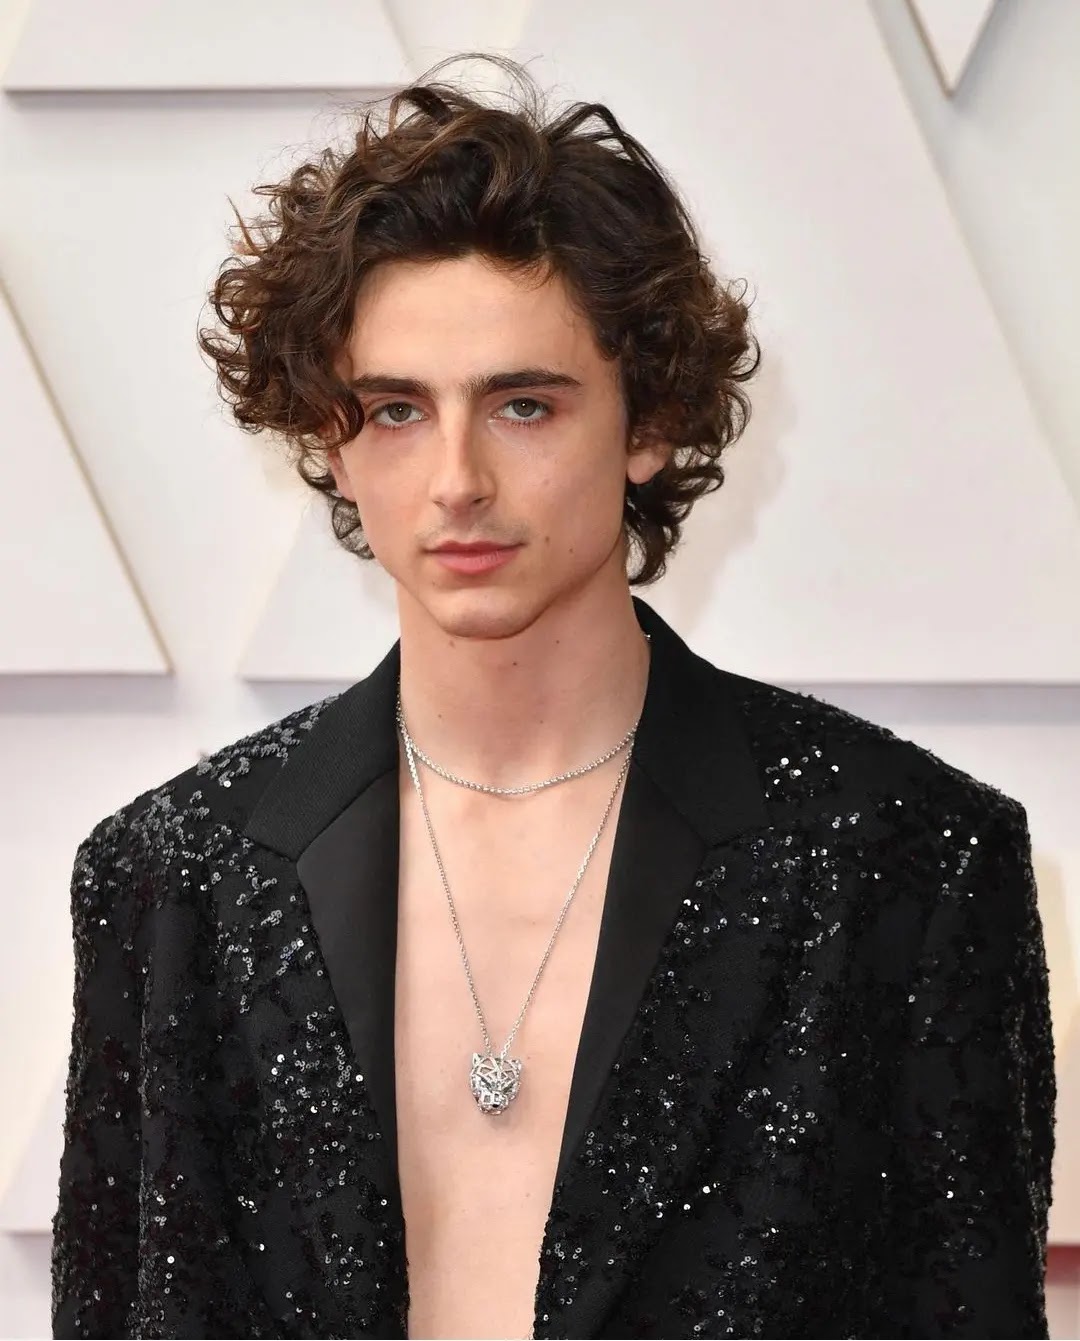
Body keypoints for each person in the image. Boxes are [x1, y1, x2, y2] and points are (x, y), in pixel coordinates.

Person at [51, 52, 1056, 1341]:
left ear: (650, 424)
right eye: (395, 411)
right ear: (330, 444)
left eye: (522, 405)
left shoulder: (905, 860)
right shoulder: (172, 875)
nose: (456, 479)